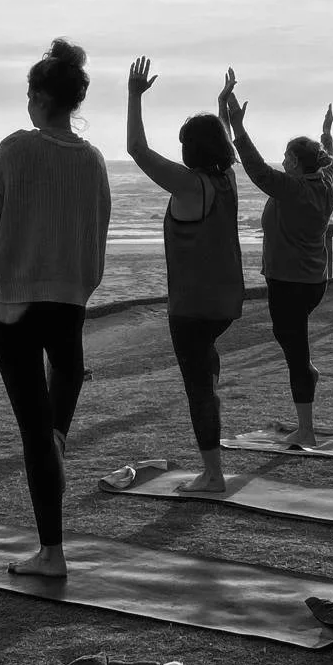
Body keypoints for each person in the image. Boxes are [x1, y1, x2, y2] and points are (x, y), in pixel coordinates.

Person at [0, 39, 111, 577]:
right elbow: (96, 236)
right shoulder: (92, 160)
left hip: (13, 308)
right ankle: (54, 460)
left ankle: (51, 553)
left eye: (29, 94)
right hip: (69, 304)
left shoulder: (17, 149)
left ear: (41, 97)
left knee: (35, 432)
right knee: (51, 431)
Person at [126, 56, 245, 494]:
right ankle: (211, 396)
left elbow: (137, 151)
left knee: (198, 390)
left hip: (193, 306)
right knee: (204, 371)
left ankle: (212, 474)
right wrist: (222, 105)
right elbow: (222, 141)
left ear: (191, 151)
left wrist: (134, 97)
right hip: (225, 302)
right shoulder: (226, 179)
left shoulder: (190, 185)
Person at [219, 68, 333, 447]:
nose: (283, 160)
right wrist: (326, 133)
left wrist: (238, 127)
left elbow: (255, 169)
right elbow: (328, 159)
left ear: (297, 164)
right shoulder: (324, 184)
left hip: (290, 282)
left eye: (287, 156)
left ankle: (306, 429)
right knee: (288, 338)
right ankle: (307, 373)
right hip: (313, 281)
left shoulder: (292, 188)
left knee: (295, 354)